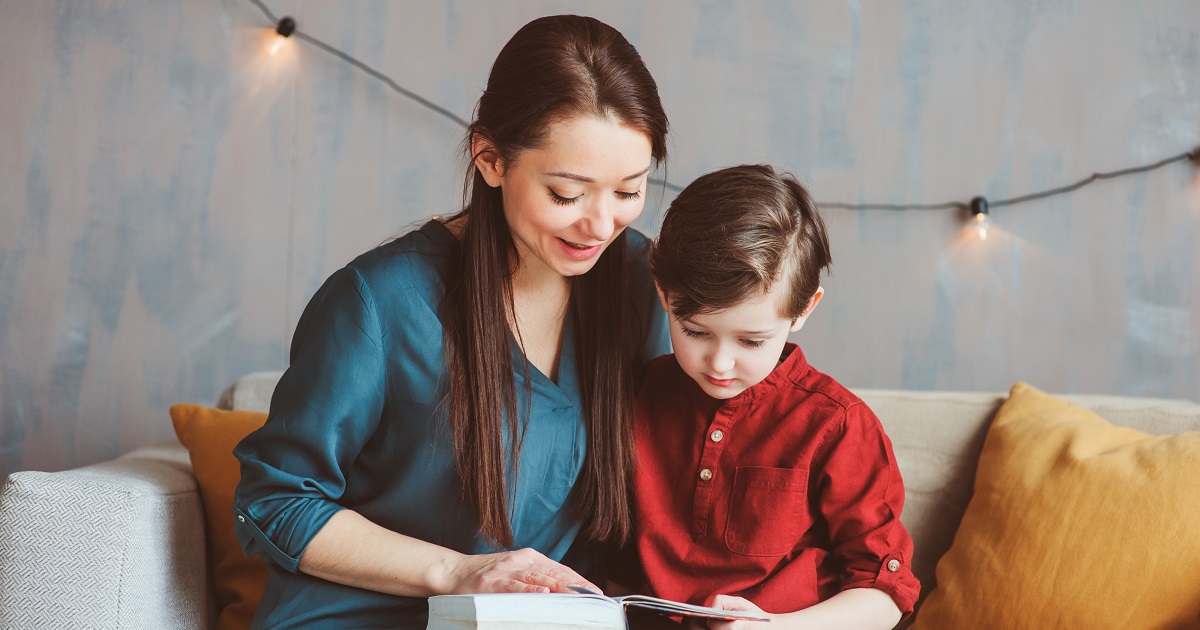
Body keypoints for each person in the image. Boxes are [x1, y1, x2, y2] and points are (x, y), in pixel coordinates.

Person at [232, 15, 671, 629]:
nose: (600, 225)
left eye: (628, 191)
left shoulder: (640, 281)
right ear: (490, 159)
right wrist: (460, 572)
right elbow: (274, 502)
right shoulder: (378, 301)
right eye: (567, 195)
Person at [629, 165, 920, 629]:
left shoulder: (837, 424)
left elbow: (884, 591)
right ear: (663, 293)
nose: (719, 363)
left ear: (804, 309)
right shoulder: (637, 396)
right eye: (695, 331)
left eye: (750, 341)